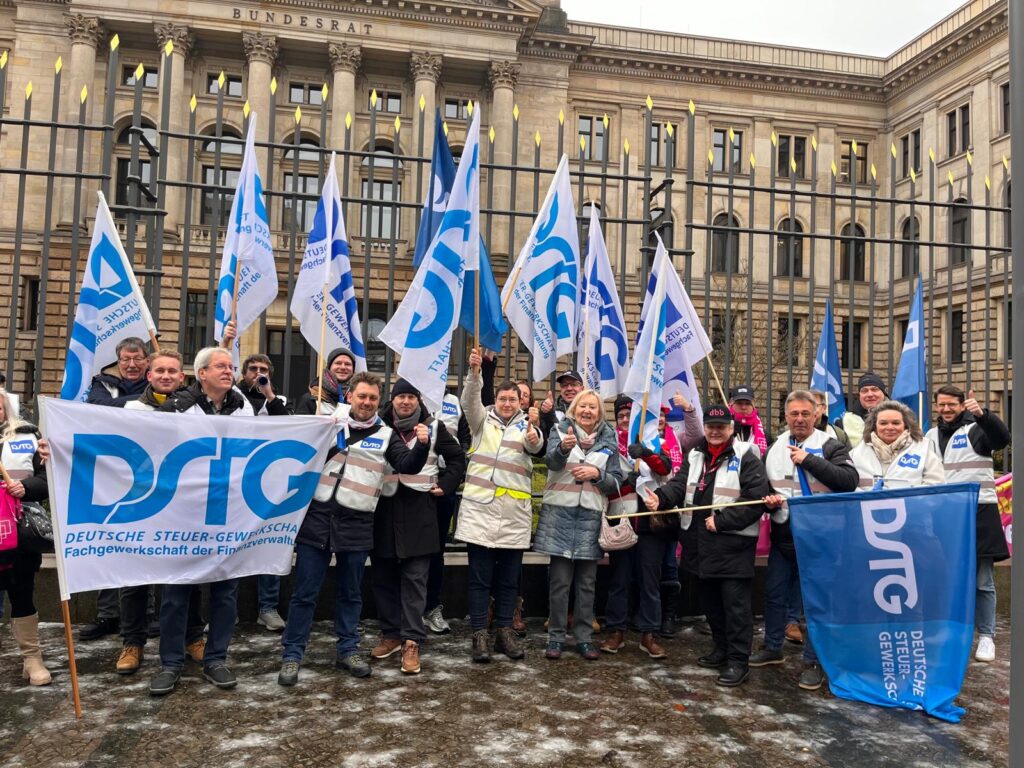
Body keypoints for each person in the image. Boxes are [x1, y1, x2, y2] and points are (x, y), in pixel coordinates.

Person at [278, 372, 429, 686]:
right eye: (362, 396)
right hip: (318, 519)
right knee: (304, 593)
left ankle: (348, 649)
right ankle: (292, 655)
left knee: (350, 594)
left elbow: (409, 465)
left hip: (358, 523)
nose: (367, 402)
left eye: (373, 398)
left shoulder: (386, 434)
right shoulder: (327, 423)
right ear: (350, 397)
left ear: (378, 401)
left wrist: (423, 445)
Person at [148, 347, 255, 696]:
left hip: (228, 514)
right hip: (185, 514)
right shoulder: (177, 407)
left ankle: (216, 658)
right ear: (201, 373)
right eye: (221, 366)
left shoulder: (244, 407)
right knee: (176, 593)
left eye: (231, 366)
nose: (229, 371)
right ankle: (171, 663)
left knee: (226, 592)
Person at [644, 404, 770, 687]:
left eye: (721, 427)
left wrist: (722, 521)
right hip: (698, 542)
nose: (715, 431)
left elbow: (755, 498)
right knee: (711, 603)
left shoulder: (747, 457)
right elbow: (679, 485)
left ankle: (739, 661)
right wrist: (661, 499)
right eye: (711, 427)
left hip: (732, 544)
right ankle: (721, 649)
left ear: (731, 429)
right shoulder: (696, 454)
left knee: (735, 607)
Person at [751, 390, 859, 691]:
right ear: (785, 416)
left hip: (822, 537)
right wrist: (767, 502)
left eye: (805, 414)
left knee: (817, 601)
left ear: (817, 415)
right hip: (784, 534)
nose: (799, 419)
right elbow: (762, 488)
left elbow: (849, 482)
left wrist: (809, 460)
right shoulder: (774, 448)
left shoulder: (830, 445)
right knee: (773, 594)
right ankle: (772, 647)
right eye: (794, 414)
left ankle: (813, 661)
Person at [117, 350, 205, 676]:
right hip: (141, 505)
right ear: (149, 375)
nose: (166, 376)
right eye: (160, 371)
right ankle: (133, 643)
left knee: (187, 577)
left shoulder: (196, 412)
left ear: (182, 377)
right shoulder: (132, 409)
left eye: (172, 371)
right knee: (135, 578)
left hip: (183, 506)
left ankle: (193, 638)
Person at [371, 379, 466, 675]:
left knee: (415, 579)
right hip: (383, 509)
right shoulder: (378, 425)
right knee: (384, 575)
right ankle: (391, 634)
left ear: (418, 400)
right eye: (401, 397)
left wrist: (447, 484)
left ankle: (412, 640)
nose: (406, 402)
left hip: (421, 510)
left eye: (411, 396)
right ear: (393, 399)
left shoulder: (434, 427)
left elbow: (457, 459)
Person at [455, 348, 544, 663]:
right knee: (479, 578)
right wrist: (475, 373)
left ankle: (504, 631)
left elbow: (537, 446)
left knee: (508, 579)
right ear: (497, 401)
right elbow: (468, 401)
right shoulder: (481, 423)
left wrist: (533, 434)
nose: (508, 404)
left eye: (514, 400)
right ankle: (480, 633)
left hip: (512, 517)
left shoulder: (528, 428)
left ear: (521, 402)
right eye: (503, 399)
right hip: (479, 514)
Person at [534, 389, 624, 660]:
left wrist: (598, 474)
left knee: (587, 583)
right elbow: (548, 460)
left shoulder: (610, 438)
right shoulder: (560, 430)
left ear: (600, 413)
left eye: (592, 408)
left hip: (590, 517)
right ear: (574, 409)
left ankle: (584, 638)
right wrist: (563, 448)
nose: (587, 411)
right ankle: (556, 638)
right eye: (582, 406)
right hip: (560, 515)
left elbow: (617, 480)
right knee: (560, 582)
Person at [926, 386, 1010, 663]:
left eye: (952, 404)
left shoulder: (976, 429)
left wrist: (984, 414)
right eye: (942, 405)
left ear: (963, 405)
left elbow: (1002, 439)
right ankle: (953, 631)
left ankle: (986, 636)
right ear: (936, 406)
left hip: (979, 513)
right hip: (943, 514)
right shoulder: (929, 436)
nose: (946, 409)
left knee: (982, 581)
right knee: (947, 578)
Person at [79, 336, 151, 642]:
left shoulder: (160, 383)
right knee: (112, 543)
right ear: (118, 361)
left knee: (147, 545)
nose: (132, 365)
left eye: (137, 359)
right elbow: (98, 408)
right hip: (110, 475)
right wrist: (140, 405)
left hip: (149, 475)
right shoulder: (103, 384)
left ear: (147, 361)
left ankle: (146, 614)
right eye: (126, 359)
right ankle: (108, 615)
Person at [601, 396, 676, 660]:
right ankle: (616, 630)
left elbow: (665, 469)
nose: (624, 420)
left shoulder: (657, 443)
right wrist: (625, 482)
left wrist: (645, 452)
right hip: (621, 520)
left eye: (629, 416)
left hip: (649, 523)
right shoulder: (609, 445)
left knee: (649, 581)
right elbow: (604, 481)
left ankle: (648, 633)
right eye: (621, 416)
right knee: (619, 580)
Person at [0, 389, 51, 685]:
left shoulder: (29, 434)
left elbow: (46, 479)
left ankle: (32, 658)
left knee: (21, 590)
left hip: (17, 528)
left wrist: (26, 488)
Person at [237, 352, 290, 632]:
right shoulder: (232, 397)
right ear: (244, 372)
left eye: (263, 369)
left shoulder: (277, 401)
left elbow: (288, 428)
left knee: (270, 544)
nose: (258, 373)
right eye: (253, 368)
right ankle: (226, 609)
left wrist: (269, 395)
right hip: (235, 483)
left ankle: (267, 607)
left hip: (266, 484)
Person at [422, 382, 471, 636]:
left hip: (443, 484)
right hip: (412, 484)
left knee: (435, 549)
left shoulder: (454, 401)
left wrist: (452, 477)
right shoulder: (408, 397)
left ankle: (432, 607)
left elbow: (465, 440)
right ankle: (404, 608)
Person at [850, 400, 943, 490]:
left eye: (896, 423)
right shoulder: (856, 454)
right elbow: (848, 486)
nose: (890, 427)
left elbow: (936, 485)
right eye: (883, 423)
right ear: (874, 426)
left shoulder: (923, 450)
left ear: (906, 425)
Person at [293, 348, 357, 415]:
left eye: (347, 364)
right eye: (338, 363)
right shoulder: (310, 400)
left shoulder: (361, 398)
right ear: (329, 367)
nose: (343, 367)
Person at [838, 372, 887, 448]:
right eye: (864, 391)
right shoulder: (844, 421)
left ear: (883, 393)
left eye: (874, 389)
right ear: (859, 395)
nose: (870, 394)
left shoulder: (901, 417)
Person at [539, 370, 583, 439]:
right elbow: (546, 435)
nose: (569, 388)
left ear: (582, 388)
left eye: (574, 384)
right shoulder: (552, 410)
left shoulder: (591, 410)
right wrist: (546, 414)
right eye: (564, 385)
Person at [728, 385, 769, 456]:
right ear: (731, 403)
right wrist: (729, 436)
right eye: (739, 403)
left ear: (753, 405)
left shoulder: (764, 435)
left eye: (747, 403)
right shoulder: (723, 427)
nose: (743, 407)